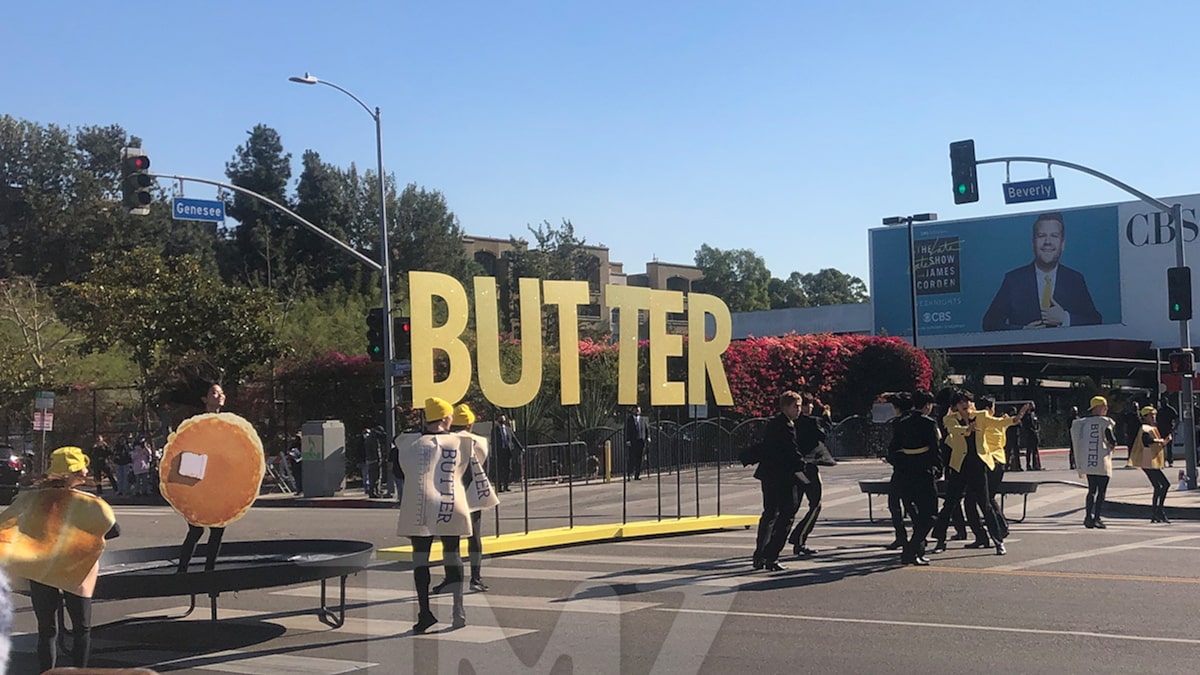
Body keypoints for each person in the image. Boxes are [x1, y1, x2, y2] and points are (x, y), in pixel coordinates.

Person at [0, 446, 119, 671]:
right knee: (81, 628)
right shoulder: (89, 503)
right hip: (76, 570)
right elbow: (113, 530)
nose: (86, 470)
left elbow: (8, 526)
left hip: (40, 569)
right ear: (75, 472)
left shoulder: (31, 499)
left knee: (47, 629)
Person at [396, 397, 473, 633]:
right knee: (453, 553)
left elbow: (397, 471)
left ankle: (425, 613)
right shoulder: (460, 442)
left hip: (420, 504)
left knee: (420, 560)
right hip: (450, 500)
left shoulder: (408, 442)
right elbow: (469, 474)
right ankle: (458, 610)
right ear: (446, 418)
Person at [981, 212, 1102, 331]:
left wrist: (1064, 318)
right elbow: (990, 323)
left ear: (1062, 244)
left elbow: (1095, 321)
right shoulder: (1013, 280)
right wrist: (1022, 331)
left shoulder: (1075, 280)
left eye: (1054, 236)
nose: (1047, 242)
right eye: (1041, 235)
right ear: (1033, 243)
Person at [434, 403, 499, 594]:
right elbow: (485, 469)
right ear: (470, 424)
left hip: (449, 493)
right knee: (474, 537)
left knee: (450, 541)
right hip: (472, 494)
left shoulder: (444, 440)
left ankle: (451, 578)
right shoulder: (480, 441)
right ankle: (476, 578)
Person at [750, 391, 806, 572]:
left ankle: (759, 555)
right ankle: (771, 555)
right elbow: (791, 451)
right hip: (784, 477)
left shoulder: (773, 423)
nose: (799, 410)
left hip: (768, 475)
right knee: (787, 514)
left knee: (769, 514)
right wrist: (804, 465)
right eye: (796, 406)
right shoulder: (787, 426)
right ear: (785, 407)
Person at [177, 382, 229, 573]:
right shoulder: (196, 423)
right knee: (196, 528)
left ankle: (209, 572)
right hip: (198, 482)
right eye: (214, 392)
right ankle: (181, 571)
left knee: (218, 528)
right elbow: (187, 450)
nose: (219, 395)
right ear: (205, 399)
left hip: (218, 483)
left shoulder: (229, 425)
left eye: (221, 393)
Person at [888, 390, 942, 566]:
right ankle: (911, 550)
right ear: (927, 406)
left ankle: (915, 550)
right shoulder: (929, 423)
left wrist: (901, 463)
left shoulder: (901, 423)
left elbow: (892, 450)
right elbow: (935, 449)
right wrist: (938, 468)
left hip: (905, 472)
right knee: (931, 514)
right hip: (924, 472)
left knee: (916, 514)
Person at [787, 394, 828, 557]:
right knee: (816, 504)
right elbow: (823, 435)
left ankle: (774, 543)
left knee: (792, 507)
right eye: (808, 404)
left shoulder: (790, 423)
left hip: (794, 468)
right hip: (809, 467)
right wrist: (827, 417)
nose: (810, 407)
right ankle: (799, 538)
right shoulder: (812, 422)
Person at [1072, 396, 1118, 529]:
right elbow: (1111, 439)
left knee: (1091, 490)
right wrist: (1112, 445)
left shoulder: (1084, 423)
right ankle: (1097, 518)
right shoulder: (1105, 422)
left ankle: (1088, 517)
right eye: (1104, 406)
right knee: (1101, 491)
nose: (1106, 409)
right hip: (1102, 461)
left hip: (1090, 461)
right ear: (1098, 408)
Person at [1128, 406, 1172, 523]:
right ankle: (1159, 512)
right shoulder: (1145, 428)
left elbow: (1155, 445)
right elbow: (1146, 441)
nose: (1153, 417)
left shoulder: (1152, 428)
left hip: (1149, 458)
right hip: (1147, 459)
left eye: (1154, 415)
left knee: (1158, 486)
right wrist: (1160, 440)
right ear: (1145, 417)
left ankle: (1156, 513)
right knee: (1165, 484)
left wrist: (1164, 442)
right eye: (1151, 415)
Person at [491, 415, 516, 492]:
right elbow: (493, 442)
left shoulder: (508, 429)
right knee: (499, 470)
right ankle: (499, 487)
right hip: (499, 452)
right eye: (501, 419)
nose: (502, 421)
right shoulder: (495, 430)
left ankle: (506, 486)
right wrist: (494, 453)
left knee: (507, 469)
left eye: (503, 419)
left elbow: (513, 439)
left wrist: (521, 448)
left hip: (507, 452)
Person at [624, 406, 650, 481]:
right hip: (633, 442)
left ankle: (637, 475)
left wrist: (648, 437)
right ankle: (630, 474)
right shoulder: (629, 420)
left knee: (640, 459)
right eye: (636, 410)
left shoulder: (643, 419)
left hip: (641, 441)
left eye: (639, 410)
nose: (637, 411)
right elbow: (627, 430)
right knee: (632, 458)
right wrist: (627, 440)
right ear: (633, 411)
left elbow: (647, 428)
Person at [1157, 395, 1180, 468]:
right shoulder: (1159, 410)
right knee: (1161, 446)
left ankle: (1170, 461)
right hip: (1160, 430)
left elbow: (1177, 419)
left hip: (1168, 430)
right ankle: (1162, 461)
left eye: (1163, 401)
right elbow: (1156, 420)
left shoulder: (1171, 409)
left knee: (1169, 447)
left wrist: (1174, 428)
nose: (1162, 403)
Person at [1021, 403, 1042, 470]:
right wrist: (1032, 431)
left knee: (1035, 450)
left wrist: (1037, 430)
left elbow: (1037, 423)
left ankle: (1036, 465)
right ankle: (1028, 465)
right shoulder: (1026, 416)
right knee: (1029, 450)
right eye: (1031, 405)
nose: (1033, 406)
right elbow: (1026, 426)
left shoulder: (1034, 414)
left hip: (1035, 435)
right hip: (1029, 435)